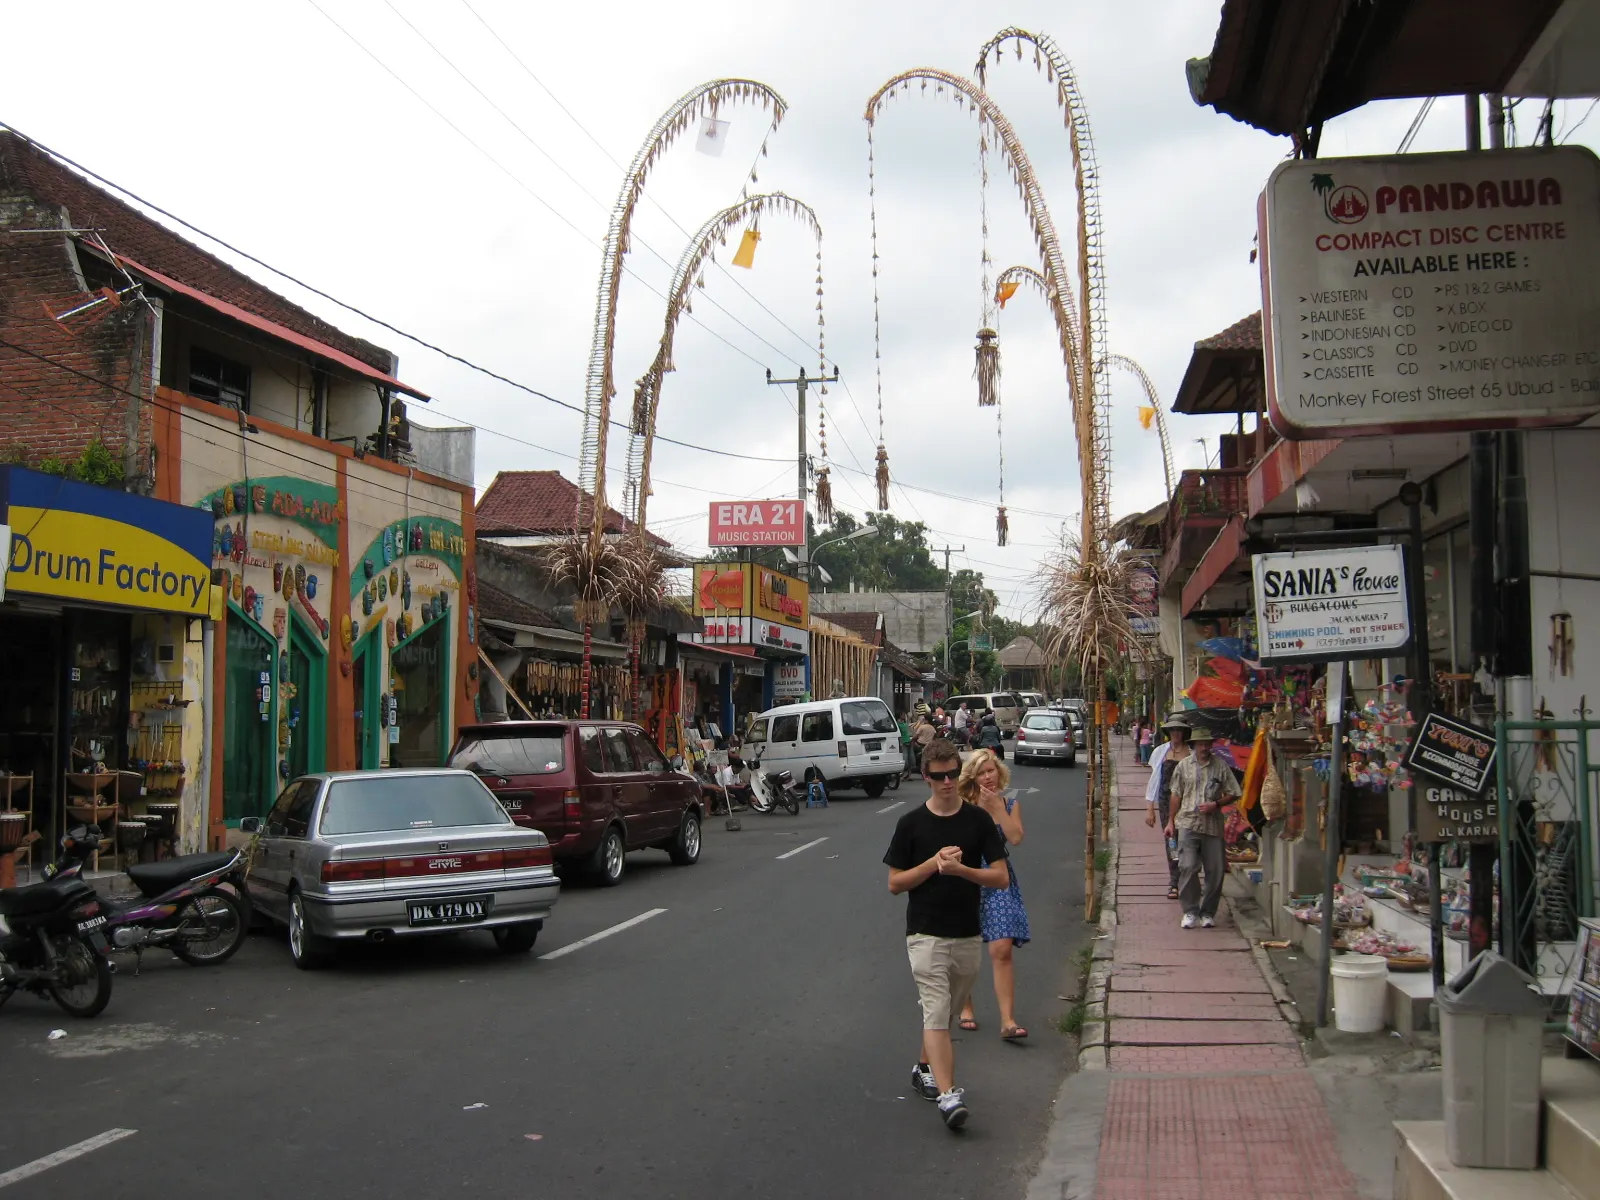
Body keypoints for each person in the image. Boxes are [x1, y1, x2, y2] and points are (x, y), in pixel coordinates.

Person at [884, 738, 1010, 1131]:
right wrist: (933, 865)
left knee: (947, 1012)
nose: (947, 782)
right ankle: (949, 1095)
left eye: (953, 774)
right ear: (925, 777)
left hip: (967, 932)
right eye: (939, 776)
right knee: (936, 1009)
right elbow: (895, 883)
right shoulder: (910, 824)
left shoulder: (977, 822)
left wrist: (961, 871)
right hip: (925, 933)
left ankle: (924, 1066)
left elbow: (1001, 877)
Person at [955, 748, 1029, 1041]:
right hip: (966, 876)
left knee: (1002, 949)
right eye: (981, 773)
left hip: (998, 876)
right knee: (963, 947)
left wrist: (997, 809)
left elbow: (1016, 837)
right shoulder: (961, 806)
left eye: (991, 771)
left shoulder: (1009, 804)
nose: (988, 777)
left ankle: (1008, 1020)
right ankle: (965, 1006)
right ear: (972, 778)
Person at [1164, 726, 1242, 929]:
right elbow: (1175, 794)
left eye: (1207, 744)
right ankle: (1190, 910)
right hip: (1187, 822)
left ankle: (1207, 912)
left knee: (1215, 871)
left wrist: (1216, 804)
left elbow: (1234, 792)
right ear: (1194, 745)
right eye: (1201, 744)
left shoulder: (1220, 766)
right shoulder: (1183, 766)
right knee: (1188, 866)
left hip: (1212, 825)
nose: (1205, 747)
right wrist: (1170, 821)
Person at [1144, 715, 1191, 901]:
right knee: (1171, 841)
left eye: (1179, 730)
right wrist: (1150, 808)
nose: (1176, 733)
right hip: (1165, 804)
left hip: (1188, 803)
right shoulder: (1160, 752)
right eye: (1172, 730)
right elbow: (1154, 781)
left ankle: (1188, 878)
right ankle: (1174, 881)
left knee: (1189, 841)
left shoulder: (1191, 753)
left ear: (1185, 732)